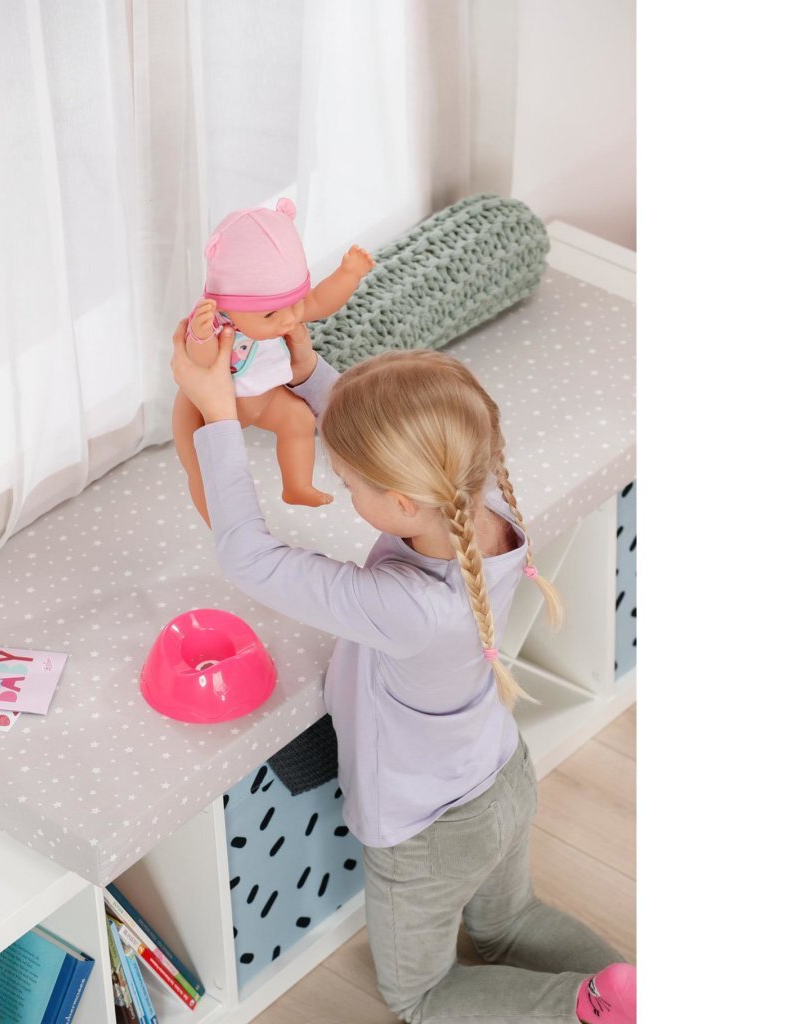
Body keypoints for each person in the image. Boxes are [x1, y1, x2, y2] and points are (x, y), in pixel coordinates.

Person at [170, 318, 636, 1024]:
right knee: (510, 922)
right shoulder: (483, 499)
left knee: (419, 996)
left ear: (402, 503)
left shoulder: (410, 608)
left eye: (348, 481)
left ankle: (578, 1008)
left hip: (432, 831)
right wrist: (308, 373)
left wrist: (217, 416)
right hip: (502, 775)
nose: (344, 487)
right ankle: (631, 994)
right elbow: (399, 434)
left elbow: (249, 558)